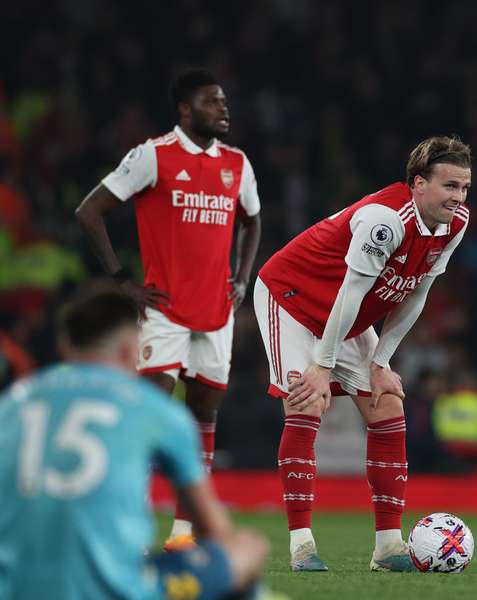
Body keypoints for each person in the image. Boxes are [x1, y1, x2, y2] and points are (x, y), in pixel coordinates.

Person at [254, 135, 471, 571]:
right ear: (418, 184)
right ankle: (301, 546)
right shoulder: (384, 221)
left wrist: (380, 362)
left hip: (344, 315)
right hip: (291, 298)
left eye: (464, 187)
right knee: (309, 399)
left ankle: (389, 548)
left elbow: (416, 291)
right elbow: (351, 291)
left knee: (386, 401)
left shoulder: (457, 222)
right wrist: (321, 365)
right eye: (449, 186)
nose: (458, 197)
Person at [75, 68, 261, 548]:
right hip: (164, 309)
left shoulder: (237, 164)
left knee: (203, 415)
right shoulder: (153, 155)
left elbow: (253, 220)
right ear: (185, 109)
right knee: (149, 409)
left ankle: (183, 532)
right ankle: (126, 519)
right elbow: (89, 211)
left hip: (216, 312)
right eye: (212, 102)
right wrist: (123, 283)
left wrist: (241, 278)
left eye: (224, 102)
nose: (224, 109)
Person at [0, 284, 270, 600]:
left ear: (64, 346)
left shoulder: (14, 402)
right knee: (246, 550)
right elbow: (215, 533)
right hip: (119, 589)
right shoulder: (154, 409)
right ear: (131, 349)